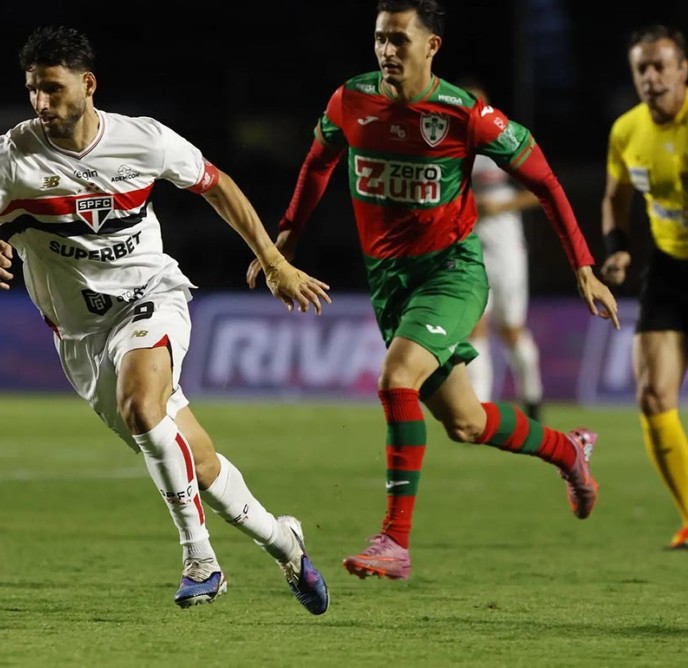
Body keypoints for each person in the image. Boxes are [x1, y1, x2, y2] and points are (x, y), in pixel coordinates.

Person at [0, 25, 332, 612]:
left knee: (141, 404)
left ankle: (200, 561)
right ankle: (285, 543)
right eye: (33, 89)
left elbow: (216, 185)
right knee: (198, 461)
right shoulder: (11, 159)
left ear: (87, 85)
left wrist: (273, 261)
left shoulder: (142, 140)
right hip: (81, 339)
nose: (41, 102)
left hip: (151, 297)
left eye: (53, 88)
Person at [247, 0, 621, 581]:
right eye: (380, 38)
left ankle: (394, 541)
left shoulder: (464, 114)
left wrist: (583, 265)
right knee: (465, 422)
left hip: (451, 273)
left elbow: (545, 180)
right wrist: (286, 239)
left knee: (396, 378)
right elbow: (318, 163)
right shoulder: (351, 100)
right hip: (389, 284)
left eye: (399, 39)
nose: (386, 50)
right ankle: (568, 450)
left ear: (431, 46)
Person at [600, 24, 688, 550]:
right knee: (654, 394)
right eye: (642, 68)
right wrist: (617, 247)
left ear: (683, 70)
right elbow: (615, 198)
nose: (651, 76)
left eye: (661, 66)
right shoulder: (627, 130)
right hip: (670, 266)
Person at [459, 80, 546, 422]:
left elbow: (540, 191)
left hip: (507, 250)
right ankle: (479, 408)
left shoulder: (506, 142)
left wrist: (501, 206)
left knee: (511, 330)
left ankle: (532, 399)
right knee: (474, 325)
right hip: (471, 249)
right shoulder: (449, 150)